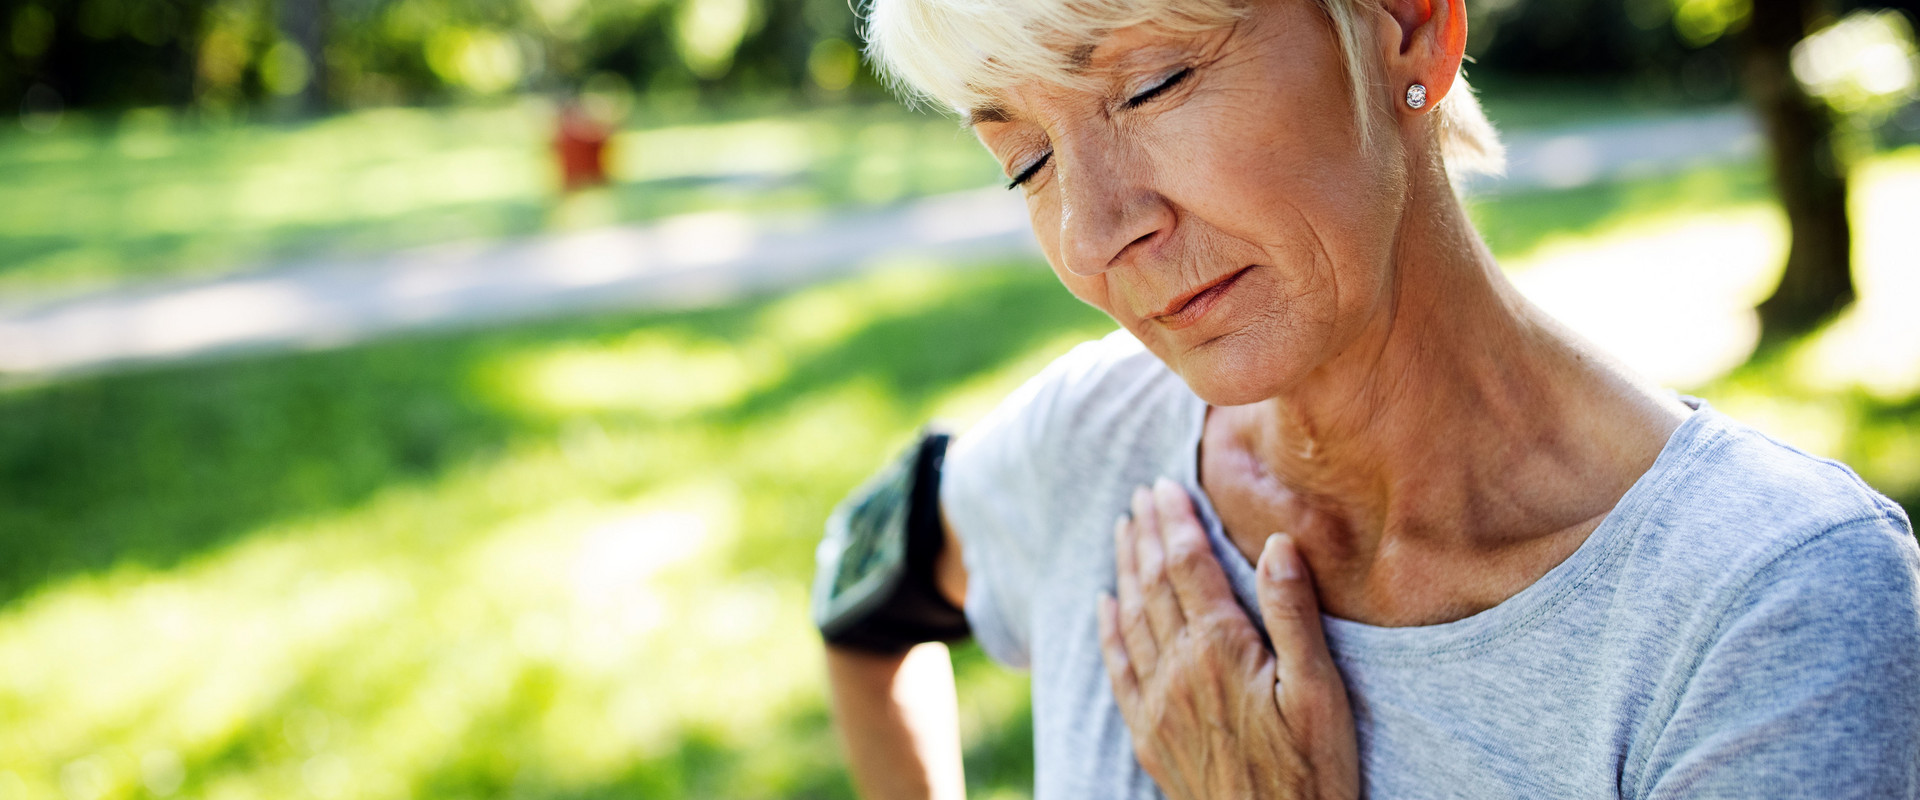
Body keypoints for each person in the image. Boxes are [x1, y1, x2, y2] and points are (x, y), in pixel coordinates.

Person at [822, 0, 1920, 797]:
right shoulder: (1091, 441)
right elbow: (860, 573)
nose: (1094, 232)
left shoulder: (1769, 608)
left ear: (1410, 26)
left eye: (1152, 84)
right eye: (1024, 158)